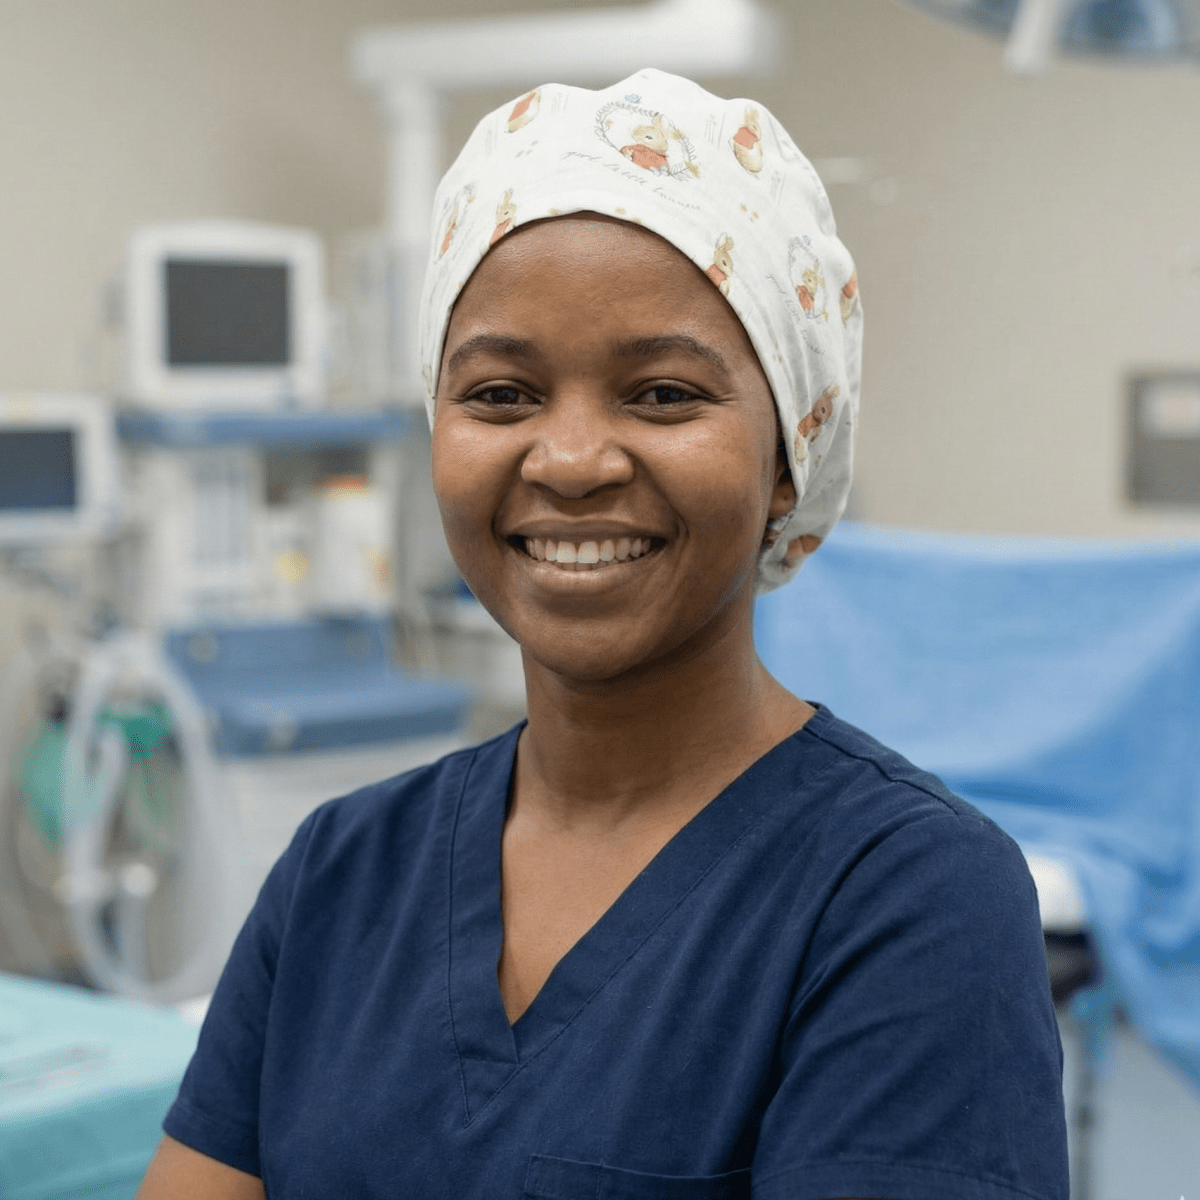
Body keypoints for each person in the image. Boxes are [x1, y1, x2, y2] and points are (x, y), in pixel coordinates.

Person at [138, 70, 1068, 1200]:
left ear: (790, 463)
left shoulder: (910, 897)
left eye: (665, 394)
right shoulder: (341, 873)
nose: (570, 461)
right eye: (500, 395)